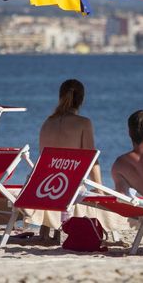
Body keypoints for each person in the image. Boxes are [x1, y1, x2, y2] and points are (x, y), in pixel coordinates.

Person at [38, 79, 103, 242]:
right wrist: (100, 189)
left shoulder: (47, 123)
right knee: (89, 192)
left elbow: (43, 160)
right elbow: (91, 159)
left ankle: (47, 225)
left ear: (60, 97)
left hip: (44, 187)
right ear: (81, 99)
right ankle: (63, 225)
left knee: (64, 182)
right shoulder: (83, 123)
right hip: (69, 188)